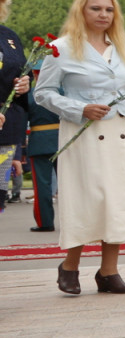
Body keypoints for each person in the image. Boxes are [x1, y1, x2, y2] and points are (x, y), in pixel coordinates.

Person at [33, 0, 125, 295]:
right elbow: (42, 93)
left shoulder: (123, 48)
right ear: (81, 11)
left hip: (121, 133)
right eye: (96, 8)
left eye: (108, 10)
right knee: (88, 200)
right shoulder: (61, 48)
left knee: (118, 202)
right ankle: (69, 266)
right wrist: (78, 108)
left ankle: (109, 272)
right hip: (84, 134)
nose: (103, 15)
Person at [0, 0, 29, 216]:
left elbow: (21, 75)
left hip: (6, 130)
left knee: (0, 196)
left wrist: (25, 84)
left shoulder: (10, 37)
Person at [24, 63, 59, 232]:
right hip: (62, 140)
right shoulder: (62, 92)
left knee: (42, 186)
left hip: (39, 141)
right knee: (69, 184)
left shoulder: (30, 95)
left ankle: (45, 222)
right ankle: (73, 222)